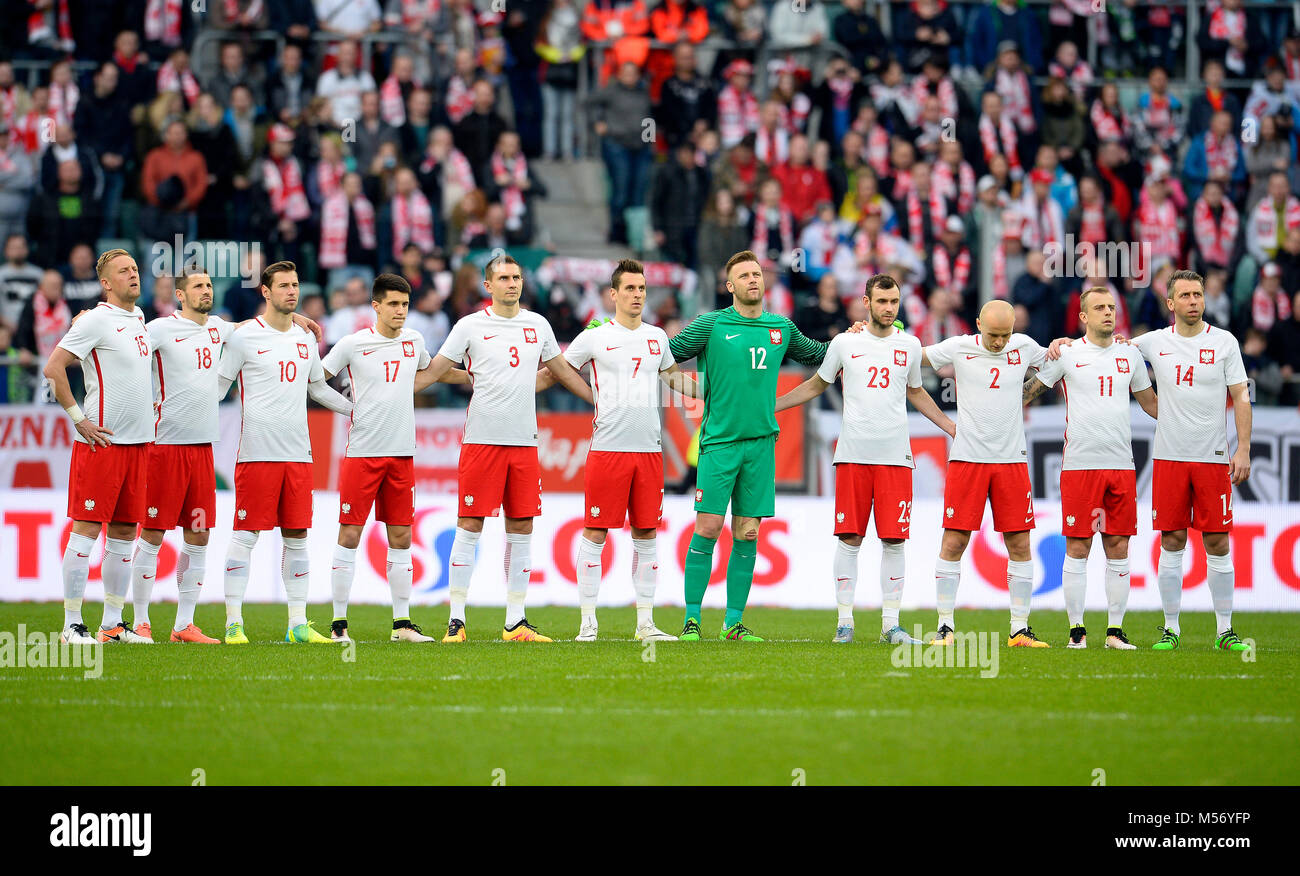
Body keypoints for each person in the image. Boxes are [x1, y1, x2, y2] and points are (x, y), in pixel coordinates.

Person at [1057, 271, 1254, 651]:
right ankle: (1171, 629)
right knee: (1172, 539)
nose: (1194, 301)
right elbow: (1107, 346)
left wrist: (1242, 448)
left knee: (1217, 540)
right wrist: (1062, 343)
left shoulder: (1225, 342)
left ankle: (1225, 631)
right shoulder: (1150, 343)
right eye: (1186, 295)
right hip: (1168, 458)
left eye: (1198, 294)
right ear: (1171, 304)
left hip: (1213, 457)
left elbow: (1241, 397)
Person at [133, 269, 323, 644]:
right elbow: (120, 338)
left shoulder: (219, 328)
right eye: (198, 286)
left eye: (208, 285)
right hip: (165, 446)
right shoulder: (158, 328)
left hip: (203, 450)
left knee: (198, 536)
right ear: (180, 295)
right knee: (152, 534)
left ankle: (183, 625)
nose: (206, 290)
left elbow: (256, 327)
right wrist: (88, 316)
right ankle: (140, 621)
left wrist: (292, 315)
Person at [412, 254, 592, 642]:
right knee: (471, 524)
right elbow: (440, 368)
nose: (512, 283)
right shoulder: (470, 326)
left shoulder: (537, 324)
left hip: (524, 443)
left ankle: (515, 621)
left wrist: (598, 399)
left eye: (516, 277)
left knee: (522, 527)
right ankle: (456, 621)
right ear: (488, 286)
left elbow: (560, 370)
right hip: (481, 442)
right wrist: (398, 391)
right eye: (504, 278)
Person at [776, 274, 953, 643]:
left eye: (894, 302)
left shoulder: (909, 345)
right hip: (854, 455)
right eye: (882, 301)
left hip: (896, 457)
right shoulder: (844, 342)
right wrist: (772, 406)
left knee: (894, 541)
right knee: (850, 538)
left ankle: (891, 624)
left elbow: (917, 393)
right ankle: (845, 622)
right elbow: (816, 384)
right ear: (866, 302)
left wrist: (950, 427)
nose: (889, 308)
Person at [669, 249, 831, 641]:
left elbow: (820, 353)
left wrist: (850, 340)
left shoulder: (781, 328)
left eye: (757, 273)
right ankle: (692, 620)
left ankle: (734, 624)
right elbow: (662, 355)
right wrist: (691, 387)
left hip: (760, 445)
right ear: (730, 286)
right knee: (708, 527)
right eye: (744, 276)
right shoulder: (710, 325)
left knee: (748, 533)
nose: (753, 280)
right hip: (719, 443)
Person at [539, 259, 699, 640]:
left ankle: (646, 624)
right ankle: (587, 623)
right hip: (608, 449)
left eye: (642, 288)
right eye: (629, 288)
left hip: (649, 452)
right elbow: (558, 371)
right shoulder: (594, 337)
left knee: (646, 535)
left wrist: (716, 393)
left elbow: (674, 379)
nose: (637, 294)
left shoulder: (657, 337)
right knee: (596, 532)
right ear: (613, 294)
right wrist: (515, 387)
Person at [216, 261, 354, 644]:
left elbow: (318, 389)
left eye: (295, 285)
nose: (292, 291)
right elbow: (218, 388)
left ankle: (297, 623)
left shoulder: (305, 339)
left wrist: (356, 409)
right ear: (266, 291)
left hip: (298, 454)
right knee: (246, 535)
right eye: (284, 286)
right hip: (256, 454)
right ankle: (233, 622)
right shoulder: (244, 339)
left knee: (297, 536)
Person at [322, 273, 464, 642]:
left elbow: (433, 372)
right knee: (350, 533)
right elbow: (315, 378)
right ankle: (339, 626)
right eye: (393, 304)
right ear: (376, 306)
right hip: (363, 453)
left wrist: (477, 376)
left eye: (405, 304)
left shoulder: (414, 341)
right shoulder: (353, 344)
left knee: (401, 536)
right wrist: (346, 407)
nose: (401, 311)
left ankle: (402, 625)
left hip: (402, 454)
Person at [1024, 286, 1158, 650]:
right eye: (1099, 307)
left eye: (1112, 307)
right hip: (1080, 465)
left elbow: (1150, 403)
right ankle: (1076, 631)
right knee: (1078, 547)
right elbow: (1028, 392)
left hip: (1121, 465)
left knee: (1119, 546)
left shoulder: (1129, 355)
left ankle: (1114, 631)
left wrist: (1190, 422)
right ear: (1083, 317)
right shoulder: (1067, 354)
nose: (1108, 313)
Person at [921, 299, 1050, 647]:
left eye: (1005, 335)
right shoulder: (959, 346)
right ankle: (945, 627)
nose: (998, 343)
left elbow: (1056, 360)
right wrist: (878, 337)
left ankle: (1019, 629)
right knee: (954, 541)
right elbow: (914, 357)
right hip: (968, 460)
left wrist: (1064, 344)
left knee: (1020, 543)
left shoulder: (1023, 346)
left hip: (1011, 462)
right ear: (978, 324)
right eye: (993, 335)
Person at [42, 250, 153, 645]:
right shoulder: (94, 321)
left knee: (124, 534)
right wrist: (78, 419)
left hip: (139, 444)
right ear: (106, 283)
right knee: (86, 530)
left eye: (135, 269)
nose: (133, 276)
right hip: (102, 443)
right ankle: (72, 624)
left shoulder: (138, 318)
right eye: (124, 272)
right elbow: (53, 368)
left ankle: (112, 624)